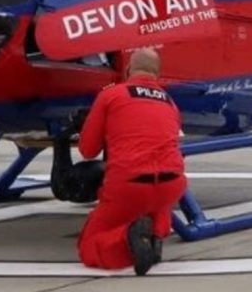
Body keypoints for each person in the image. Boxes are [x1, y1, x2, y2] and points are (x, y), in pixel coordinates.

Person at [76, 48, 186, 275]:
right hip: (171, 183)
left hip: (129, 184)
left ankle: (128, 237)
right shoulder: (170, 103)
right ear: (158, 74)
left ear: (128, 69)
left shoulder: (111, 94)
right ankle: (155, 235)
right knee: (157, 205)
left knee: (89, 245)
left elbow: (88, 150)